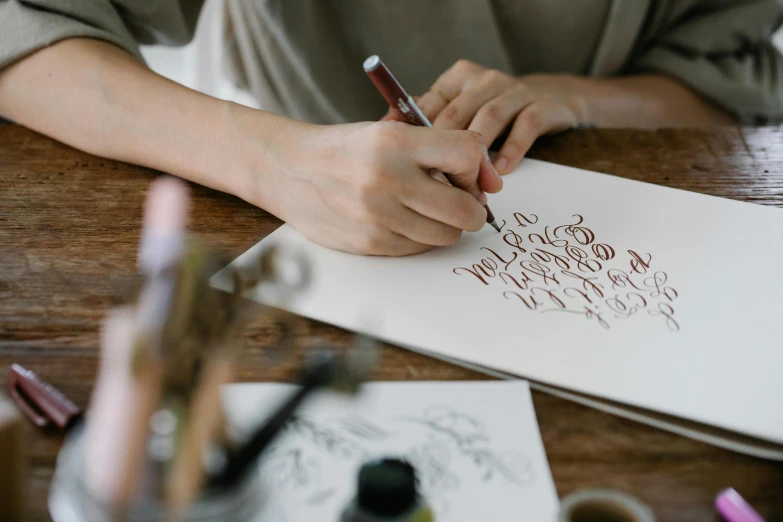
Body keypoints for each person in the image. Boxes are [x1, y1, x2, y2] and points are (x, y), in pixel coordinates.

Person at [1, 1, 781, 256]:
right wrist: (275, 159)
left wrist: (569, 97)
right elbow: (27, 34)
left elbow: (721, 86)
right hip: (287, 193)